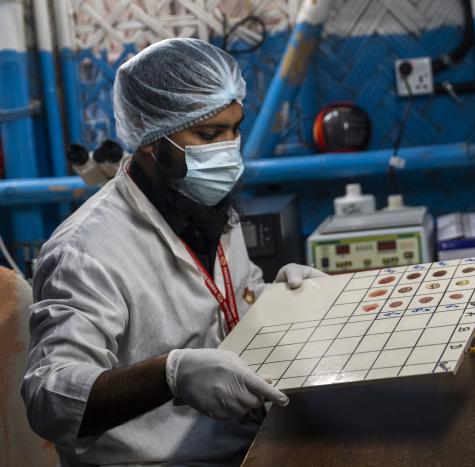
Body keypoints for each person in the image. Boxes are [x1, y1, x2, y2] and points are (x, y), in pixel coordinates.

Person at [21, 37, 326, 466]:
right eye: (208, 133)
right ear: (150, 137)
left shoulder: (206, 205)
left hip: (248, 444)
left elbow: (232, 296)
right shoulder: (85, 251)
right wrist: (170, 375)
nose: (228, 148)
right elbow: (50, 396)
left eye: (235, 129)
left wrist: (280, 298)